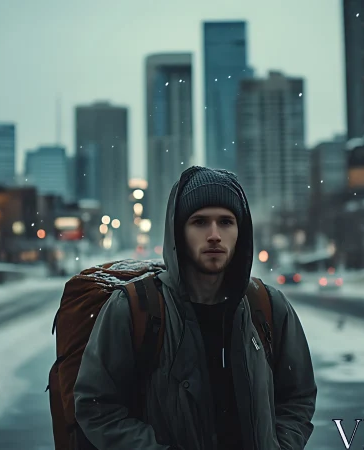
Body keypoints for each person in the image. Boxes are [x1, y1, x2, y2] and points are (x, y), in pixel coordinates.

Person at [74, 166, 317, 450]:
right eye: (199, 222)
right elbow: (97, 405)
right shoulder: (135, 309)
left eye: (226, 222)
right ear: (179, 231)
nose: (214, 235)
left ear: (241, 231)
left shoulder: (267, 306)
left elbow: (297, 397)